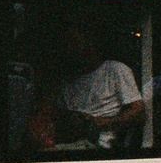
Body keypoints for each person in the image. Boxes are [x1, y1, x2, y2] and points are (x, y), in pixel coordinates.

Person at [56, 19, 144, 149]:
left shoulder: (115, 70)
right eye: (67, 44)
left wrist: (101, 123)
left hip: (99, 142)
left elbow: (138, 112)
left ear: (90, 42)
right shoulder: (68, 81)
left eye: (74, 43)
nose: (70, 49)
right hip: (69, 138)